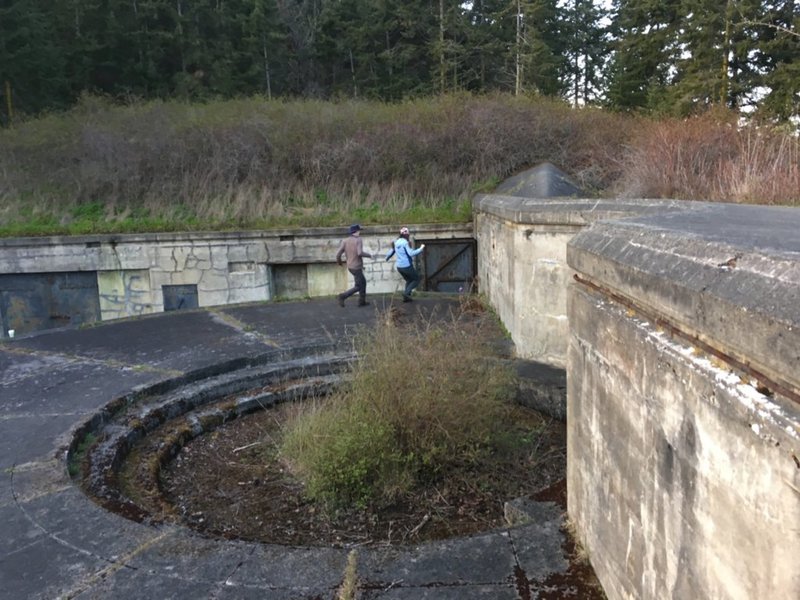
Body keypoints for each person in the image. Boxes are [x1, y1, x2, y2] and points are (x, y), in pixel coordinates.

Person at [336, 223, 373, 307]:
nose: (360, 232)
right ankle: (343, 296)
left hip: (350, 267)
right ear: (356, 231)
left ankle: (362, 301)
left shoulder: (345, 241)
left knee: (362, 283)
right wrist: (369, 255)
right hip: (356, 267)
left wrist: (340, 263)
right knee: (359, 285)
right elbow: (359, 253)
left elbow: (338, 254)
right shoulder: (358, 240)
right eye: (359, 230)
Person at [385, 226, 425, 302]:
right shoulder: (405, 243)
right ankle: (406, 293)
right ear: (407, 235)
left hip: (399, 267)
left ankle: (406, 298)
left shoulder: (396, 242)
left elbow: (392, 251)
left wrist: (387, 257)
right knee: (416, 279)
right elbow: (411, 253)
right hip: (406, 266)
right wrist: (421, 249)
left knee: (409, 280)